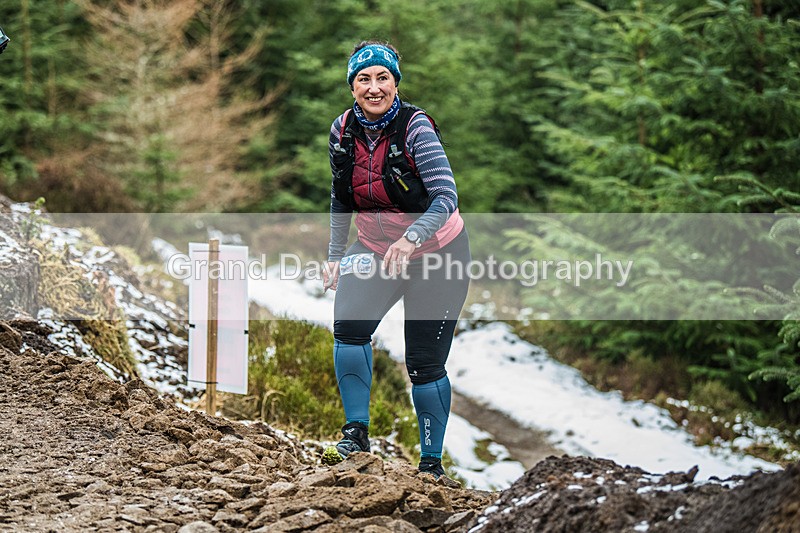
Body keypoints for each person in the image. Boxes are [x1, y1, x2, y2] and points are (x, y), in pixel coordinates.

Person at [321, 40, 470, 484]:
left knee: (424, 363)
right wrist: (334, 258)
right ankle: (355, 434)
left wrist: (412, 236)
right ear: (352, 86)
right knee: (348, 326)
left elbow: (446, 196)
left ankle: (431, 466)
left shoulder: (415, 129)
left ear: (395, 82)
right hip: (373, 248)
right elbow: (340, 198)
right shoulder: (342, 131)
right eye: (363, 79)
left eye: (382, 77)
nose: (373, 87)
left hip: (436, 254)